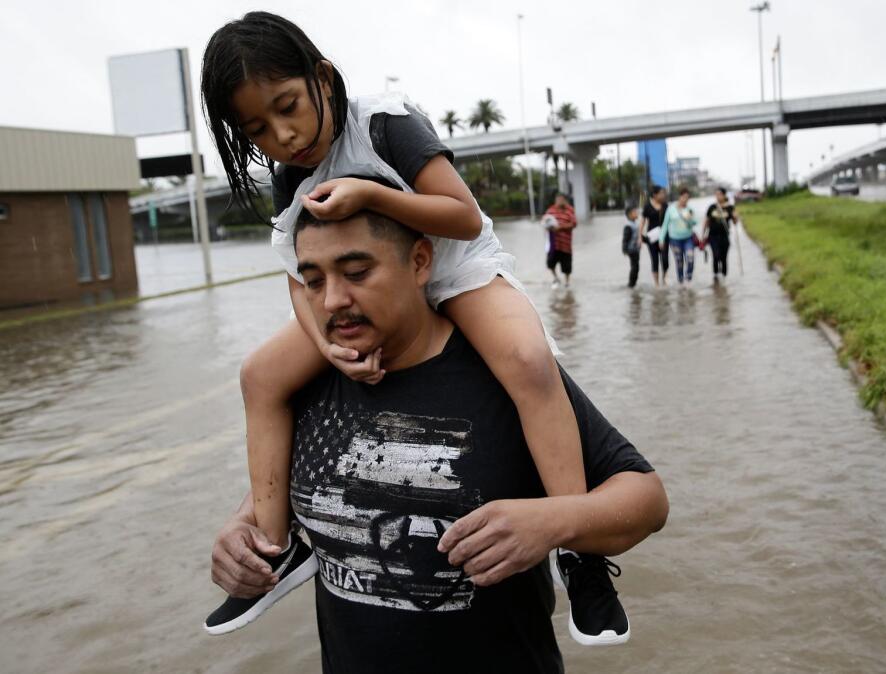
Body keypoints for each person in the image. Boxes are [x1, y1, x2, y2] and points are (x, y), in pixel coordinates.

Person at [198, 11, 622, 640]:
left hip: (456, 268)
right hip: (374, 292)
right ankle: (273, 539)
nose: (283, 136)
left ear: (323, 76)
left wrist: (371, 197)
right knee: (260, 374)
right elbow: (297, 273)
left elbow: (462, 218)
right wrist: (325, 346)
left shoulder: (384, 124)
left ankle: (578, 550)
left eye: (288, 106)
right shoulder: (292, 175)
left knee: (529, 360)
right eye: (257, 128)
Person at [210, 204, 669, 671]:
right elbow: (295, 480)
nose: (332, 300)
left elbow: (647, 499)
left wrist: (553, 521)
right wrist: (242, 531)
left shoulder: (508, 374)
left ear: (420, 262)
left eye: (356, 272)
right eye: (313, 280)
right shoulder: (304, 386)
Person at [662, 188, 699, 286]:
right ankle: (681, 282)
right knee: (679, 262)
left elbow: (695, 222)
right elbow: (665, 225)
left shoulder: (690, 210)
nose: (685, 199)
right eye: (684, 197)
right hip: (675, 240)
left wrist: (689, 219)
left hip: (688, 238)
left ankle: (688, 279)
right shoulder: (671, 209)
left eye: (687, 198)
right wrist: (661, 239)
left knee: (690, 259)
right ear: (680, 197)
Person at [703, 187, 738, 284]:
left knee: (723, 257)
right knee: (715, 255)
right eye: (716, 194)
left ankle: (724, 277)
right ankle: (716, 277)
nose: (718, 196)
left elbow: (735, 222)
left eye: (720, 194)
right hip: (713, 236)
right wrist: (703, 235)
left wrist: (735, 217)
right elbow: (706, 221)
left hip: (724, 236)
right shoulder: (712, 207)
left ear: (724, 195)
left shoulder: (730, 208)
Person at [543, 192, 576, 287]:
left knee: (567, 265)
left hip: (565, 245)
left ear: (565, 201)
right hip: (553, 244)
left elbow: (574, 223)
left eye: (562, 199)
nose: (560, 201)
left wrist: (560, 227)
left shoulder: (570, 210)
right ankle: (555, 278)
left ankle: (567, 281)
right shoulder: (550, 211)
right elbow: (544, 222)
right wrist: (549, 227)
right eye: (558, 199)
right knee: (550, 262)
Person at [638, 185, 669, 286]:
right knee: (654, 260)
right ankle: (656, 284)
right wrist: (639, 236)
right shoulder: (647, 206)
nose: (663, 195)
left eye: (663, 193)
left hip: (664, 236)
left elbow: (670, 221)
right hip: (652, 237)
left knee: (665, 259)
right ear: (655, 195)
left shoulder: (665, 205)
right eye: (661, 193)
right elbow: (642, 222)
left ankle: (664, 278)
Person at [620, 205, 641, 287]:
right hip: (631, 250)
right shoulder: (628, 226)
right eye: (635, 212)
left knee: (636, 267)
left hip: (636, 250)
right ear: (629, 215)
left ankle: (633, 284)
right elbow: (625, 239)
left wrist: (648, 240)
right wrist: (624, 250)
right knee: (635, 267)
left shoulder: (634, 224)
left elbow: (639, 236)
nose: (637, 213)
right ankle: (631, 284)